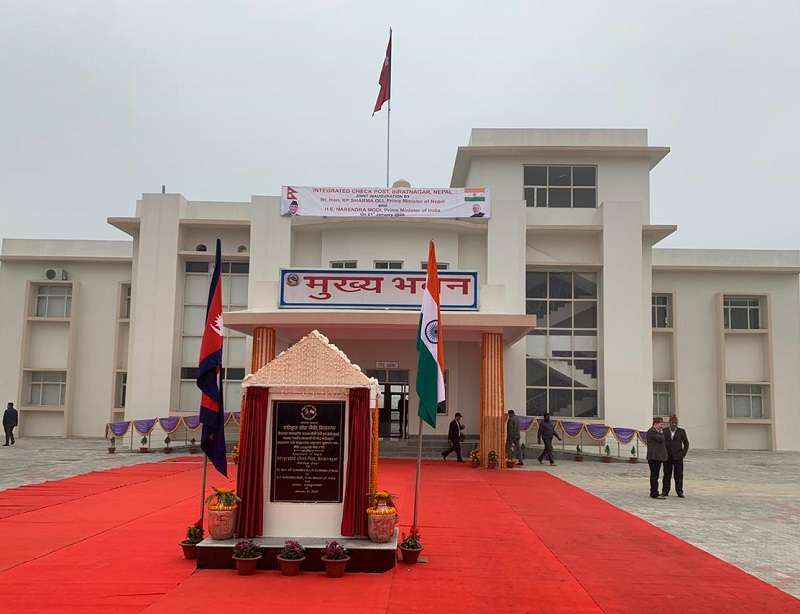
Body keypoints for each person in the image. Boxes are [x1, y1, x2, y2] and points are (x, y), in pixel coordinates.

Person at [662, 414, 689, 498]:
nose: (674, 424)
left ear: (677, 423)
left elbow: (686, 444)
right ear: (669, 423)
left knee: (679, 475)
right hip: (667, 457)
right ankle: (665, 491)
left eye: (675, 423)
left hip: (678, 457)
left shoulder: (681, 431)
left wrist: (683, 454)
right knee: (666, 474)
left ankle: (679, 491)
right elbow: (662, 443)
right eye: (672, 422)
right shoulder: (664, 431)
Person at [646, 417, 668, 499]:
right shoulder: (652, 431)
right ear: (655, 424)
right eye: (660, 424)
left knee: (655, 475)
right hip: (654, 457)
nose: (661, 426)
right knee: (654, 476)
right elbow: (661, 439)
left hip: (657, 457)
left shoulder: (656, 431)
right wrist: (661, 432)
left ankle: (654, 491)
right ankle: (654, 493)